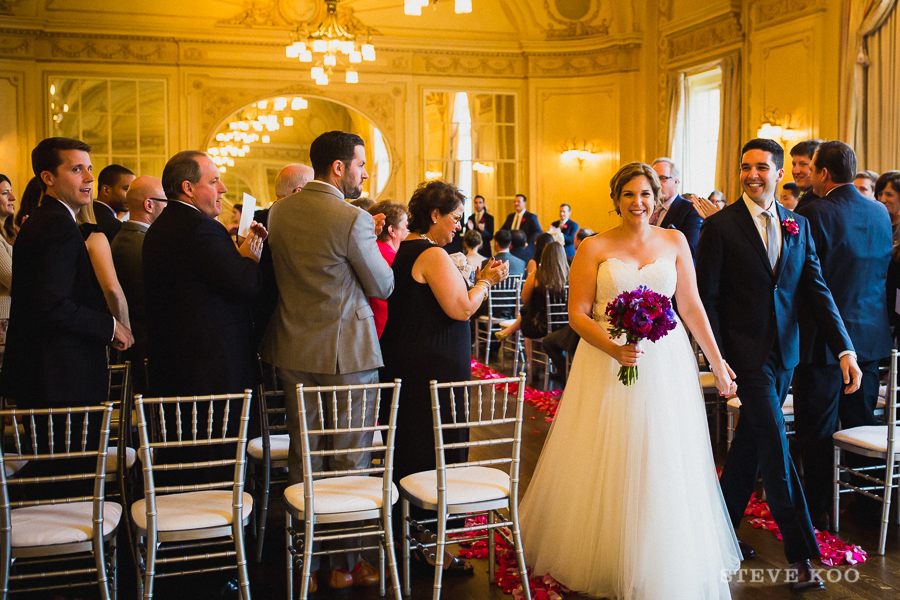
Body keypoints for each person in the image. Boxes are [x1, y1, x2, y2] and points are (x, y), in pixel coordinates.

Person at [520, 162, 739, 599]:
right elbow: (578, 314)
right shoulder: (594, 246)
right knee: (611, 449)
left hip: (666, 361)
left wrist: (716, 361)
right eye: (628, 195)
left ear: (657, 197)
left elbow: (690, 307)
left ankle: (660, 551)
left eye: (645, 195)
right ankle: (605, 551)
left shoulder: (676, 240)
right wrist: (613, 347)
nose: (637, 203)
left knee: (661, 451)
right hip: (607, 358)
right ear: (615, 199)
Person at [697, 138, 862, 592]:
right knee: (775, 444)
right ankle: (802, 554)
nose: (752, 175)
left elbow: (816, 288)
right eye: (745, 167)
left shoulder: (797, 224)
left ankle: (722, 528)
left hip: (785, 354)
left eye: (761, 168)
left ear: (776, 172)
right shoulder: (721, 227)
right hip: (743, 357)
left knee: (750, 444)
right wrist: (717, 360)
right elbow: (706, 300)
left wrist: (845, 348)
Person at [259, 131, 392, 593]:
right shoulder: (351, 218)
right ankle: (346, 564)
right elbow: (382, 285)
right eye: (359, 163)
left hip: (293, 346)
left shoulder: (279, 211)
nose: (363, 172)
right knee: (350, 457)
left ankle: (306, 566)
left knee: (305, 455)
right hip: (347, 352)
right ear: (338, 167)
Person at [379, 180, 508, 573]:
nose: (458, 225)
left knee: (415, 445)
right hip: (431, 370)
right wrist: (486, 280)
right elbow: (462, 308)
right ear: (434, 215)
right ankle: (427, 544)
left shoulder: (407, 250)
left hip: (413, 364)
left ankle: (411, 536)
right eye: (454, 217)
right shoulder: (431, 254)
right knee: (435, 447)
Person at [791, 141, 892, 530]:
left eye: (812, 170)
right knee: (859, 423)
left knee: (817, 431)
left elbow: (804, 277)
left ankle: (816, 512)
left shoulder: (814, 211)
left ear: (824, 174)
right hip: (869, 336)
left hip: (823, 339)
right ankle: (866, 510)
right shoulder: (880, 211)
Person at [1, 137, 133, 409]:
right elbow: (52, 304)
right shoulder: (56, 225)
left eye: (89, 169)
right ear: (48, 177)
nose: (89, 178)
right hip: (59, 378)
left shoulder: (49, 220)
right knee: (73, 453)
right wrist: (109, 326)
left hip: (51, 376)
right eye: (76, 169)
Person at [144, 150, 266, 398]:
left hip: (175, 363)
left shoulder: (160, 226)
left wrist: (236, 253)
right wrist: (252, 254)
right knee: (222, 437)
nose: (222, 188)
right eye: (213, 181)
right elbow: (247, 284)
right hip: (210, 369)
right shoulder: (202, 228)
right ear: (187, 188)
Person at [110, 175, 167, 394]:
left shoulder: (126, 235)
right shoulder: (143, 244)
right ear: (149, 204)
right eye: (166, 202)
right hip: (147, 346)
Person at [251, 163, 315, 351]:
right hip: (288, 320)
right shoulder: (302, 224)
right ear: (298, 192)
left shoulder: (254, 220)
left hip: (258, 315)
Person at [77, 200, 130, 332]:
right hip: (91, 320)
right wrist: (124, 329)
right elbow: (112, 289)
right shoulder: (93, 237)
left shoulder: (37, 229)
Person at [367, 200, 409, 338]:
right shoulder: (389, 256)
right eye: (406, 226)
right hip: (383, 327)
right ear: (392, 230)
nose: (408, 232)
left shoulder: (372, 248)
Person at [650, 158, 703, 257]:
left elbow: (689, 249)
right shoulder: (648, 208)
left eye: (662, 178)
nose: (656, 184)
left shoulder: (690, 210)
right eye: (653, 179)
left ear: (676, 181)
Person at [93, 164, 134, 243]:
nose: (131, 195)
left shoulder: (91, 212)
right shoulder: (114, 227)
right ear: (106, 190)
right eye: (127, 189)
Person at [0, 175, 16, 360]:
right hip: (3, 322)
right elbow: (14, 278)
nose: (13, 197)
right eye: (5, 193)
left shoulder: (10, 233)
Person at [500, 193, 542, 258]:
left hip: (524, 250)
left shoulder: (531, 217)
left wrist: (527, 242)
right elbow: (503, 230)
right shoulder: (510, 217)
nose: (516, 204)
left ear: (524, 203)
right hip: (510, 250)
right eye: (515, 202)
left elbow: (538, 231)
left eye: (518, 202)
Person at [790, 139, 822, 211]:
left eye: (803, 164)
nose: (796, 171)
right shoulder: (805, 197)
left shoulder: (815, 204)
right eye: (794, 164)